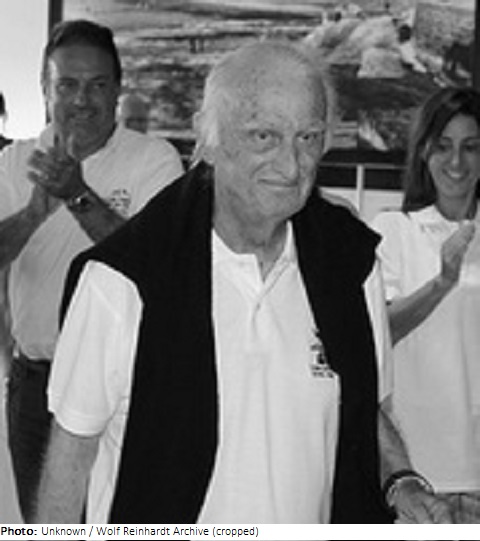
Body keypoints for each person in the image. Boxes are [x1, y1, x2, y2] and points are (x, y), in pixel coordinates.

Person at [35, 40, 438, 524]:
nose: (291, 166)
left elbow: (363, 405)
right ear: (208, 140)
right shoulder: (123, 280)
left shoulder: (350, 267)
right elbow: (72, 454)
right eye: (264, 136)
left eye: (308, 137)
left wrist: (402, 482)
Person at [0, 19, 183, 522]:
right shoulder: (14, 162)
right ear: (44, 89)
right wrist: (33, 214)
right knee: (47, 525)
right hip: (36, 388)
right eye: (67, 85)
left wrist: (79, 197)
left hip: (129, 388)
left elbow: (161, 266)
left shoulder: (155, 160)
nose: (82, 100)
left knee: (126, 522)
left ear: (118, 90)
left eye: (98, 85)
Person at [372, 87, 480, 523]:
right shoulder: (392, 231)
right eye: (443, 146)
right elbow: (376, 334)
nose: (456, 162)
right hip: (417, 480)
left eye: (470, 147)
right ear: (423, 152)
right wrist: (442, 282)